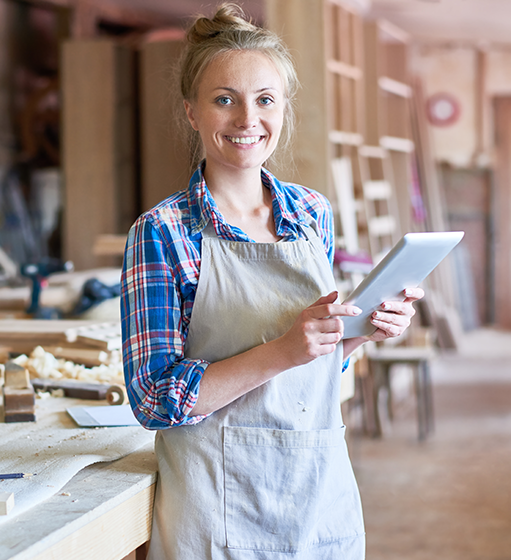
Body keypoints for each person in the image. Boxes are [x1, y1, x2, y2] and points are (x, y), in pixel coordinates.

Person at [120, 4, 424, 559]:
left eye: (265, 99)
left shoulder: (311, 214)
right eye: (223, 99)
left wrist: (362, 332)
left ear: (283, 107)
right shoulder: (162, 233)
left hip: (316, 492)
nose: (246, 120)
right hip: (218, 508)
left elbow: (315, 365)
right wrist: (284, 349)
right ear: (191, 111)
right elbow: (154, 398)